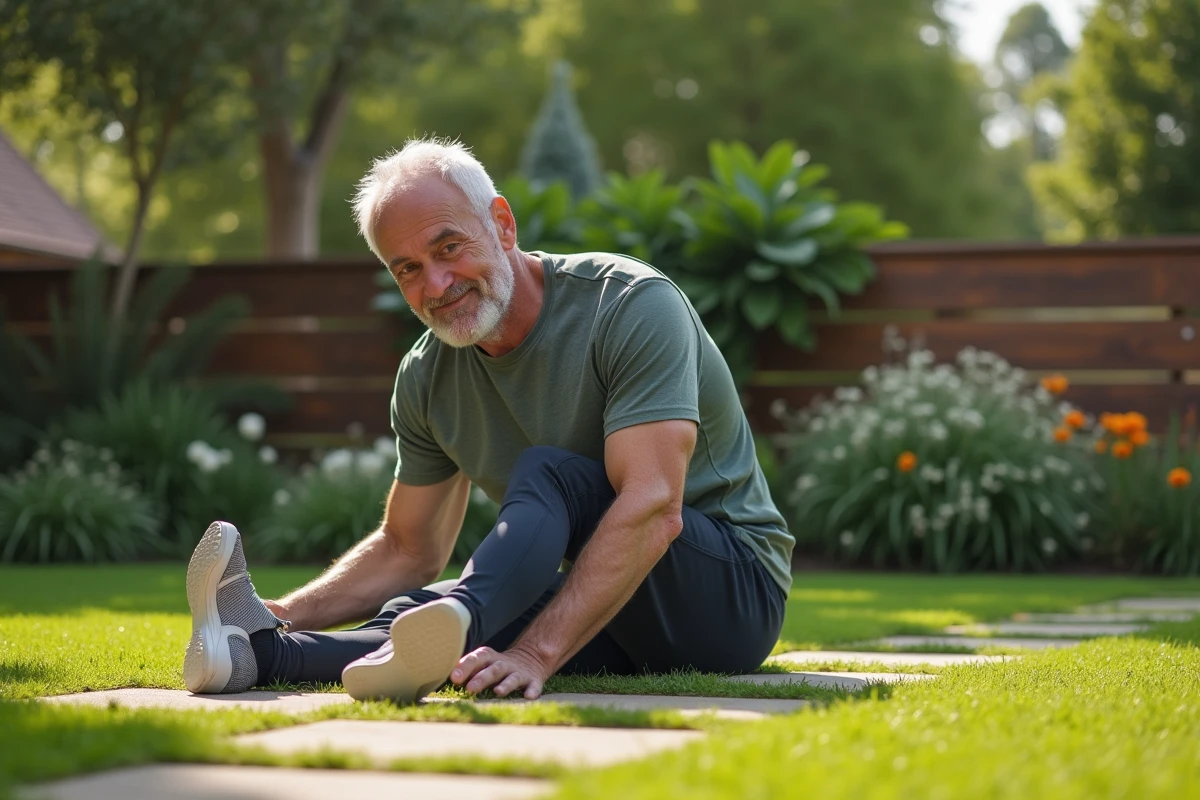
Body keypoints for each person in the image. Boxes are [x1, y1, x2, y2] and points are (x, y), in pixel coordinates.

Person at [182, 137, 794, 703]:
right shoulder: (427, 377)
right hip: (618, 599)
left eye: (448, 248)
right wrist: (280, 610)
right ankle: (256, 653)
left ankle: (465, 610)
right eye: (408, 269)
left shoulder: (628, 304)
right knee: (422, 616)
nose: (437, 284)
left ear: (502, 224)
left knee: (548, 479)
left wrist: (535, 653)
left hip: (732, 597)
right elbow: (407, 546)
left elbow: (655, 504)